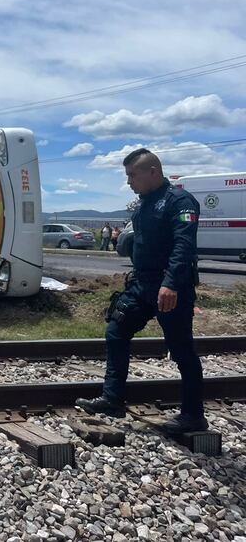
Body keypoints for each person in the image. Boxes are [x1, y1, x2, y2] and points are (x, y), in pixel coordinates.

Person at [76, 148, 206, 433]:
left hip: (170, 287)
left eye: (132, 175)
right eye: (127, 176)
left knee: (181, 349)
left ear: (153, 172)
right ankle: (112, 399)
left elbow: (184, 246)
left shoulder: (180, 201)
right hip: (142, 285)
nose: (129, 181)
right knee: (116, 331)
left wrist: (171, 283)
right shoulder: (145, 203)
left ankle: (193, 415)